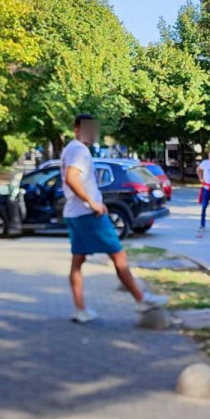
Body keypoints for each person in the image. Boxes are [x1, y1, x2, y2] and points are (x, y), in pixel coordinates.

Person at [61, 113, 166, 323]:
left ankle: (80, 309)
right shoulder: (79, 151)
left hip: (75, 213)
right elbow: (71, 179)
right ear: (77, 130)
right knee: (118, 255)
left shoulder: (71, 150)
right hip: (87, 214)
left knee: (78, 261)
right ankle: (141, 299)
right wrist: (93, 204)